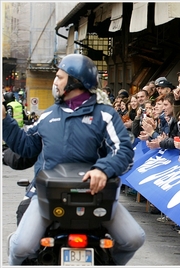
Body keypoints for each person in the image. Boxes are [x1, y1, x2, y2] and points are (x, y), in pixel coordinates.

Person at [2, 54, 145, 265]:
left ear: (75, 81)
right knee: (21, 246)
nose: (55, 82)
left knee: (133, 238)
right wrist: (5, 120)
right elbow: (26, 146)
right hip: (47, 196)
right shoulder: (47, 116)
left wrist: (102, 169)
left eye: (59, 77)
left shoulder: (105, 115)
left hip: (96, 196)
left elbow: (123, 149)